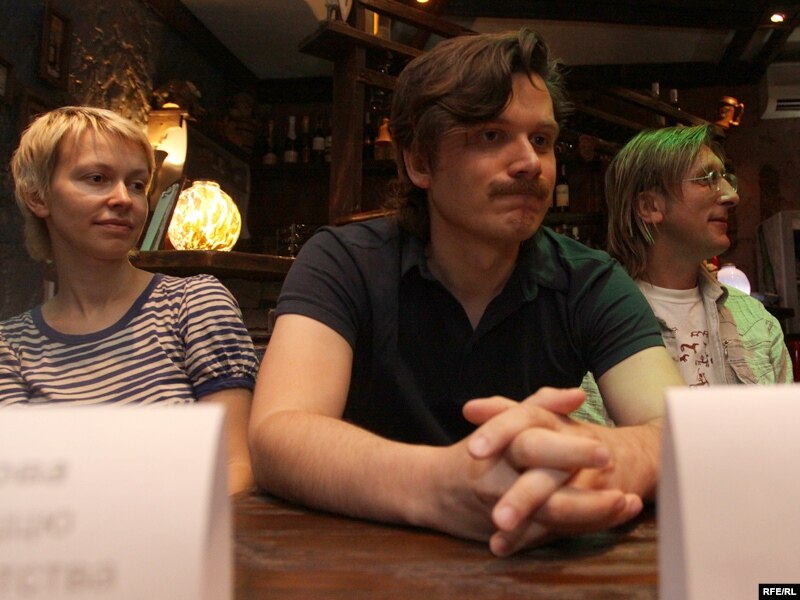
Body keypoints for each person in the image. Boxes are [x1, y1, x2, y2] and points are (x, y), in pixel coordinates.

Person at [249, 29, 684, 556]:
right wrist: (440, 484)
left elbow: (677, 430)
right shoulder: (343, 261)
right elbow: (278, 433)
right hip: (361, 564)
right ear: (420, 162)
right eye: (491, 136)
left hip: (536, 568)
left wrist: (595, 459)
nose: (530, 163)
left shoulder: (590, 279)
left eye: (541, 140)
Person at [0, 106, 258, 494]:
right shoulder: (11, 348)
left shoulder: (193, 305)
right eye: (97, 178)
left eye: (137, 185)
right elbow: (19, 491)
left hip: (185, 529)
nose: (124, 198)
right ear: (38, 196)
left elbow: (235, 465)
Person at [577, 124, 791, 424]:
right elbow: (589, 445)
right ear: (650, 206)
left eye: (726, 179)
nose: (732, 196)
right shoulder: (591, 326)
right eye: (707, 179)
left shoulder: (757, 322)